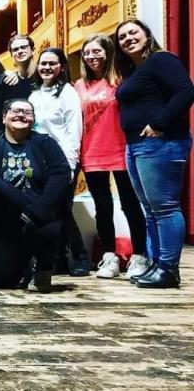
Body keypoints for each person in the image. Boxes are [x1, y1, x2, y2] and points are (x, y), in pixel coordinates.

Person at [114, 19, 194, 288]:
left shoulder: (161, 60)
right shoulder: (136, 71)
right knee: (150, 210)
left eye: (133, 32)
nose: (127, 39)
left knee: (165, 208)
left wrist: (159, 123)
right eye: (122, 37)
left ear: (147, 34)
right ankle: (157, 264)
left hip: (161, 143)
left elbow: (185, 92)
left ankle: (169, 269)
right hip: (137, 145)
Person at [0, 99, 70, 293]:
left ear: (33, 119)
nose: (21, 115)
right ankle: (23, 265)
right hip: (6, 222)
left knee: (50, 228)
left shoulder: (45, 143)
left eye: (27, 113)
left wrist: (37, 210)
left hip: (39, 219)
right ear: (4, 117)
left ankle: (42, 267)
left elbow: (61, 174)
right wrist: (27, 206)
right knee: (0, 279)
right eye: (16, 111)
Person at [74, 34, 148, 279]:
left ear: (107, 53)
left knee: (130, 204)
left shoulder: (121, 80)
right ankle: (109, 256)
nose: (92, 56)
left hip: (121, 149)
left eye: (97, 51)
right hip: (92, 151)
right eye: (87, 53)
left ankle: (139, 256)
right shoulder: (79, 86)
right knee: (103, 207)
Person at [29, 47, 88, 276]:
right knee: (51, 209)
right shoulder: (34, 95)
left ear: (61, 67)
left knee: (63, 209)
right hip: (40, 161)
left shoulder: (68, 93)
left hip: (63, 160)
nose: (46, 67)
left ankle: (80, 256)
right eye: (43, 63)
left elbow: (74, 131)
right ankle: (59, 259)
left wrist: (70, 165)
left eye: (52, 63)